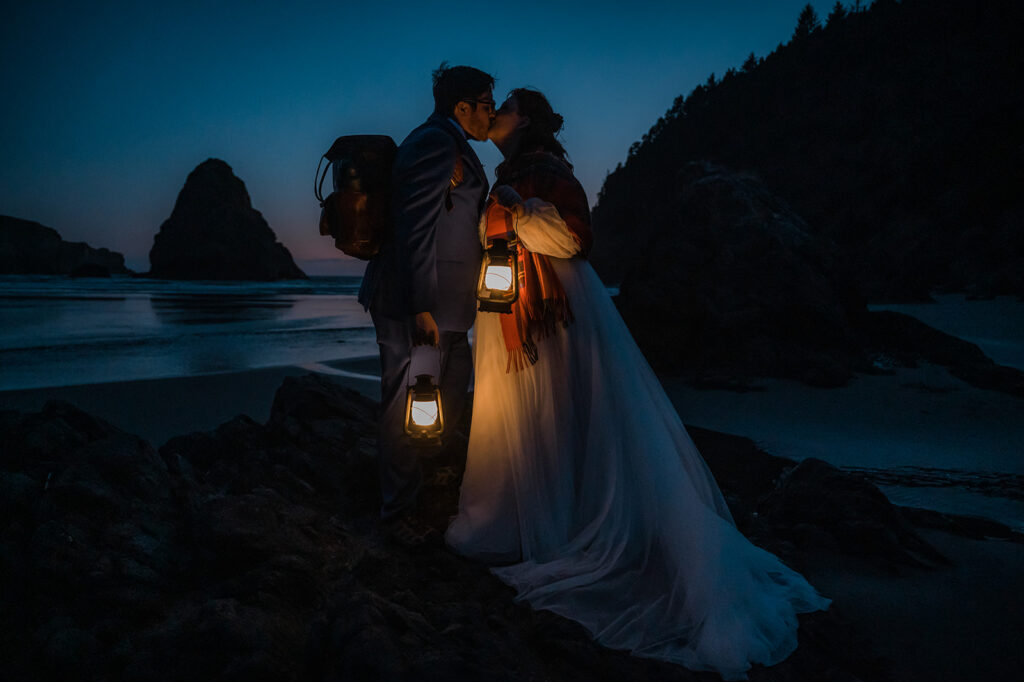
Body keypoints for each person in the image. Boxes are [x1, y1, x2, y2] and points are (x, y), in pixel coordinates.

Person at [445, 88, 830, 680]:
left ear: (528, 121)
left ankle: (568, 523)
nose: (496, 111)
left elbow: (574, 240)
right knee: (529, 418)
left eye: (509, 104)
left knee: (563, 414)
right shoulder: (511, 170)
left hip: (556, 312)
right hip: (512, 308)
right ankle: (528, 515)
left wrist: (519, 208)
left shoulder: (542, 172)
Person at [358, 64, 495, 547]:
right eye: (486, 103)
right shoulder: (436, 142)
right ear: (462, 107)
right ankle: (397, 510)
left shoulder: (448, 144)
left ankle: (422, 488)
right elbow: (414, 226)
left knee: (449, 394)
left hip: (446, 304)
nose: (491, 113)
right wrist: (420, 307)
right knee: (406, 403)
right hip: (420, 303)